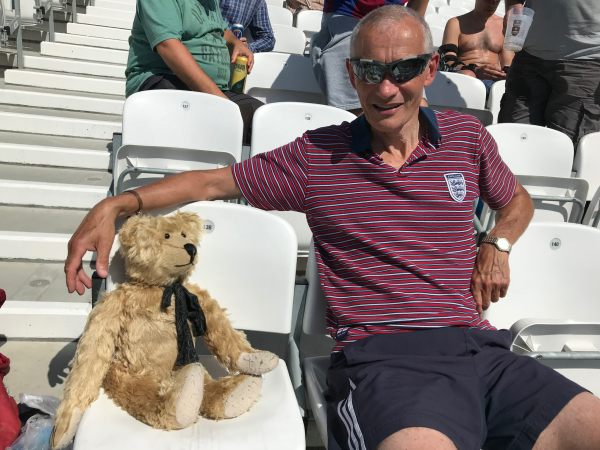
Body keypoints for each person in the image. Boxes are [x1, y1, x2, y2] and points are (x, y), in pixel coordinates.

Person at [66, 6, 600, 450]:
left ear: (431, 69)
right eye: (369, 70)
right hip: (385, 362)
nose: (386, 88)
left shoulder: (466, 137)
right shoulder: (319, 158)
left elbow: (519, 201)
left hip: (482, 350)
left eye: (403, 69)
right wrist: (120, 202)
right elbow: (211, 184)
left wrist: (497, 242)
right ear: (351, 75)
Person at [125, 0, 263, 144]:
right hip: (164, 79)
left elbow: (220, 30)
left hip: (214, 90)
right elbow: (168, 46)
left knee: (262, 119)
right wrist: (221, 102)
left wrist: (236, 42)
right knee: (203, 116)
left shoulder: (209, 3)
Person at [498, 0, 600, 147]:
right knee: (512, 144)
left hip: (586, 63)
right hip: (528, 58)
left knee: (565, 150)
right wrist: (513, 4)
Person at [310, 0, 429, 114]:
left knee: (418, 109)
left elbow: (416, 9)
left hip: (394, 20)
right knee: (358, 118)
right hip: (346, 18)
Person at [440, 0, 513, 92]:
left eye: (497, 0)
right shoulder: (456, 23)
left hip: (493, 82)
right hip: (464, 77)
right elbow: (448, 61)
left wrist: (500, 74)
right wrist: (475, 70)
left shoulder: (505, 26)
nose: (492, 3)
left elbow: (508, 66)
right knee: (468, 74)